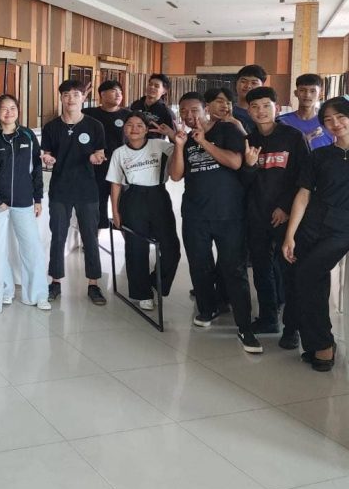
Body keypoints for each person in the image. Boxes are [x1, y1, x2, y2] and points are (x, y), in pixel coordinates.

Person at [281, 96, 349, 370]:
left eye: (340, 117)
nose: (335, 124)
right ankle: (312, 343)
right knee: (309, 280)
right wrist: (290, 235)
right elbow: (304, 195)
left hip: (343, 226)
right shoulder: (320, 155)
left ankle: (323, 345)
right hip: (311, 221)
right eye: (328, 120)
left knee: (308, 274)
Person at [169, 91, 261, 353]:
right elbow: (176, 175)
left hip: (229, 214)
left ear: (206, 109)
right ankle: (207, 308)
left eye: (194, 110)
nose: (189, 115)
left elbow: (235, 162)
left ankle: (244, 326)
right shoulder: (185, 139)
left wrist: (205, 143)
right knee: (199, 265)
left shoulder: (227, 130)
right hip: (195, 214)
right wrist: (179, 145)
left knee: (234, 269)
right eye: (184, 111)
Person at [240, 87, 310, 335]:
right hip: (257, 215)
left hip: (286, 216)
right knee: (261, 269)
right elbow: (244, 182)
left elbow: (304, 177)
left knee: (289, 269)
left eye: (266, 106)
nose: (261, 111)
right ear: (249, 111)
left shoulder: (293, 137)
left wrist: (286, 207)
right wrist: (249, 166)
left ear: (277, 108)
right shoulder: (249, 140)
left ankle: (292, 329)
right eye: (255, 107)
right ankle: (269, 318)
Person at [0, 94, 49, 310]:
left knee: (32, 249)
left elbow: (36, 169)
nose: (9, 112)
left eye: (12, 108)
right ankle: (5, 291)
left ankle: (36, 295)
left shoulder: (28, 135)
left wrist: (37, 198)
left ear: (18, 111)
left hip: (23, 201)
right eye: (4, 108)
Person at [41, 80, 108, 305]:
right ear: (61, 98)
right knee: (58, 236)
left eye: (76, 94)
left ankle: (93, 284)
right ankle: (55, 281)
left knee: (90, 236)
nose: (71, 99)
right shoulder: (51, 127)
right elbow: (47, 153)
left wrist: (97, 157)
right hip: (60, 189)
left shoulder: (94, 125)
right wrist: (48, 158)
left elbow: (100, 152)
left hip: (87, 189)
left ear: (83, 98)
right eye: (66, 95)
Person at [107, 112, 181, 310]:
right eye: (130, 125)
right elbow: (115, 184)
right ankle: (142, 293)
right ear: (124, 129)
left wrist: (172, 135)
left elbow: (181, 149)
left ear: (147, 129)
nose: (134, 129)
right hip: (133, 199)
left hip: (159, 196)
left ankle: (155, 283)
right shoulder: (119, 153)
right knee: (136, 248)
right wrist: (115, 213)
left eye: (139, 125)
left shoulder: (160, 145)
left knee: (171, 248)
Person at [84, 79, 132, 229]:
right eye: (114, 91)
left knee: (123, 206)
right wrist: (81, 99)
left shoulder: (128, 115)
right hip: (97, 167)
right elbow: (70, 118)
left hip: (121, 167)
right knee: (98, 204)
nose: (119, 94)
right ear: (102, 94)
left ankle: (128, 238)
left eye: (120, 92)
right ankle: (95, 238)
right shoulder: (89, 114)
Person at [278, 73, 334, 149]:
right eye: (302, 90)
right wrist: (301, 143)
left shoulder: (328, 123)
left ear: (320, 95)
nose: (307, 95)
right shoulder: (282, 122)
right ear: (296, 93)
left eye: (312, 91)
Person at [130, 73, 174, 138]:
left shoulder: (166, 112)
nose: (152, 87)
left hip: (154, 143)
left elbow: (173, 137)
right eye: (150, 84)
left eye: (156, 86)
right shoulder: (136, 105)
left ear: (164, 91)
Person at [232, 65, 267, 135]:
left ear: (262, 86)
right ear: (236, 84)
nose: (248, 86)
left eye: (254, 83)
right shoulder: (227, 112)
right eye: (243, 81)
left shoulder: (266, 114)